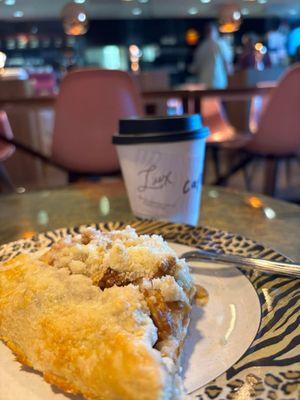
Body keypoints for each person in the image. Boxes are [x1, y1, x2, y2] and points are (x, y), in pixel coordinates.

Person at [190, 23, 233, 89]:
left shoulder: (201, 47)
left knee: (206, 98)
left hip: (204, 81)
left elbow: (196, 67)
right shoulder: (221, 44)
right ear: (215, 32)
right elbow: (227, 64)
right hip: (218, 81)